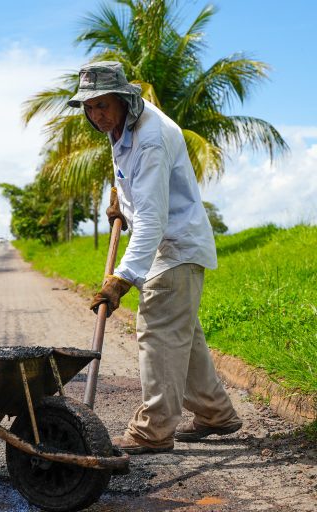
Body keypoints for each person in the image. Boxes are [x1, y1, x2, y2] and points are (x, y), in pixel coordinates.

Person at [67, 61, 242, 454]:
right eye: (89, 107)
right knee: (183, 338)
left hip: (174, 246)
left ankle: (153, 431)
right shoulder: (122, 125)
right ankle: (217, 415)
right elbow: (138, 190)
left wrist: (122, 279)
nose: (96, 115)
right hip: (168, 242)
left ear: (123, 99)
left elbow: (151, 218)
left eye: (102, 105)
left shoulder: (149, 137)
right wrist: (120, 201)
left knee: (158, 333)